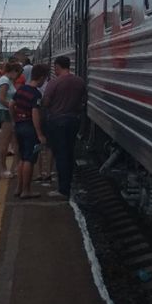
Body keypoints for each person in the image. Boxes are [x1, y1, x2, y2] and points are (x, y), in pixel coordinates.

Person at [42, 55, 86, 199]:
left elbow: (46, 103)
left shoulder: (54, 83)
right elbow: (83, 101)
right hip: (73, 121)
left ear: (58, 66)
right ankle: (69, 184)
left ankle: (63, 190)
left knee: (61, 155)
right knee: (69, 153)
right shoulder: (80, 82)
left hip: (57, 122)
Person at [12, 63, 49, 199]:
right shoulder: (36, 94)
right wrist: (40, 134)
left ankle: (18, 188)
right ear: (41, 78)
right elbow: (35, 114)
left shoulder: (21, 89)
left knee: (22, 158)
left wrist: (14, 119)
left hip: (19, 126)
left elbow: (11, 104)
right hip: (30, 129)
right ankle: (26, 191)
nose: (44, 82)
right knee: (29, 160)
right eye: (44, 79)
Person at [0, 62, 21, 178]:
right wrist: (13, 106)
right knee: (5, 142)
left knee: (15, 142)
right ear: (13, 71)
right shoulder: (4, 81)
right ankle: (3, 169)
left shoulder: (8, 80)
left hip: (9, 112)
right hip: (5, 113)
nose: (19, 75)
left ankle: (15, 168)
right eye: (18, 72)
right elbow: (1, 99)